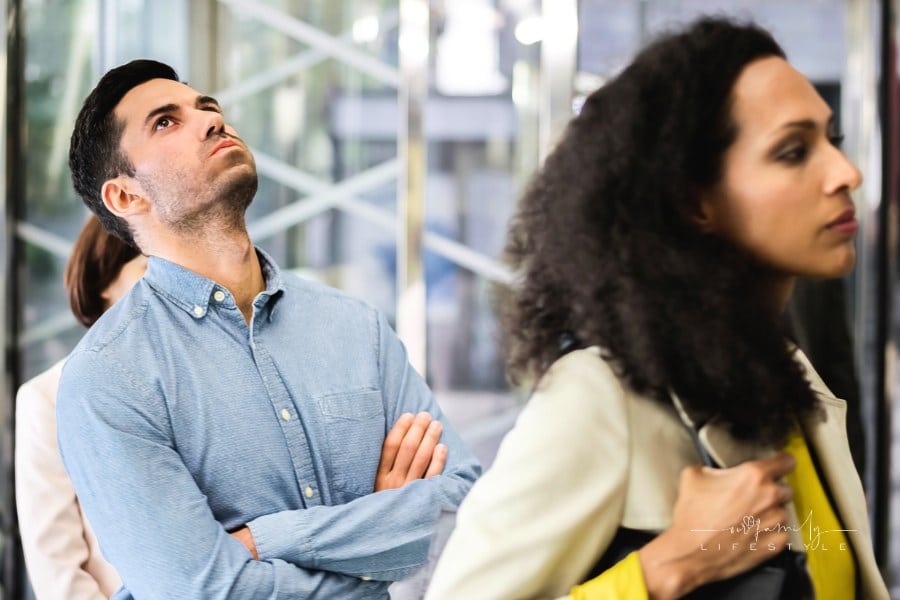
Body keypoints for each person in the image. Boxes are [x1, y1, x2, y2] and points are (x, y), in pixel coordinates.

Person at [426, 16, 889, 600]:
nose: (845, 173)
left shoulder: (793, 382)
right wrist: (663, 570)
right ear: (694, 202)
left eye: (833, 141)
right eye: (793, 151)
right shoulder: (600, 398)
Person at [57, 59, 480, 598]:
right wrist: (375, 536)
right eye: (166, 122)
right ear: (126, 197)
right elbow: (205, 591)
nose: (211, 119)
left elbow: (464, 513)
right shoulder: (108, 378)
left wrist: (267, 538)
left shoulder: (354, 327)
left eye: (206, 106)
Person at [16, 215, 145, 599]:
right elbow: (56, 564)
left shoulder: (201, 379)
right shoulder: (49, 396)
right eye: (149, 268)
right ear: (102, 281)